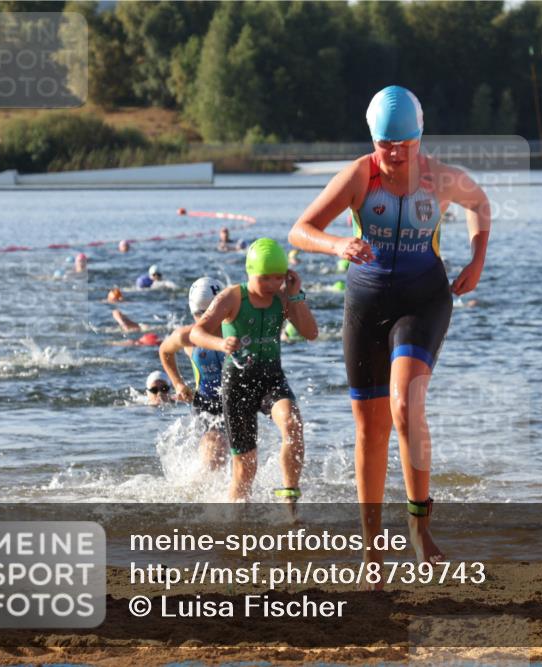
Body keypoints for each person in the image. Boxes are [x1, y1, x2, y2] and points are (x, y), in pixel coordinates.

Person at [288, 85, 490, 570]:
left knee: (406, 404)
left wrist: (477, 259)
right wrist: (338, 245)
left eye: (406, 144)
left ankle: (419, 529)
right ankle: (372, 548)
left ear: (421, 137)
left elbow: (480, 205)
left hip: (423, 300)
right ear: (373, 140)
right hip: (366, 305)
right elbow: (300, 229)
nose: (396, 155)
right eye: (386, 145)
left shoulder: (440, 178)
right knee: (370, 429)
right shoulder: (359, 176)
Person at [190, 238, 318, 502]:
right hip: (237, 384)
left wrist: (295, 294)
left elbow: (310, 332)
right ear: (250, 272)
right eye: (265, 278)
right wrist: (220, 343)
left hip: (271, 378)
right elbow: (197, 332)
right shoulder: (231, 297)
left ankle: (290, 497)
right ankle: (237, 525)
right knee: (246, 467)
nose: (272, 285)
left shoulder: (283, 298)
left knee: (292, 424)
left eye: (277, 278)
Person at [159, 277, 229, 470]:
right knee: (214, 453)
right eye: (199, 314)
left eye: (209, 313)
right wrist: (178, 383)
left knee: (242, 459)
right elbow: (165, 351)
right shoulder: (187, 336)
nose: (205, 320)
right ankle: (199, 494)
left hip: (237, 401)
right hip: (207, 403)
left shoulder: (235, 331)